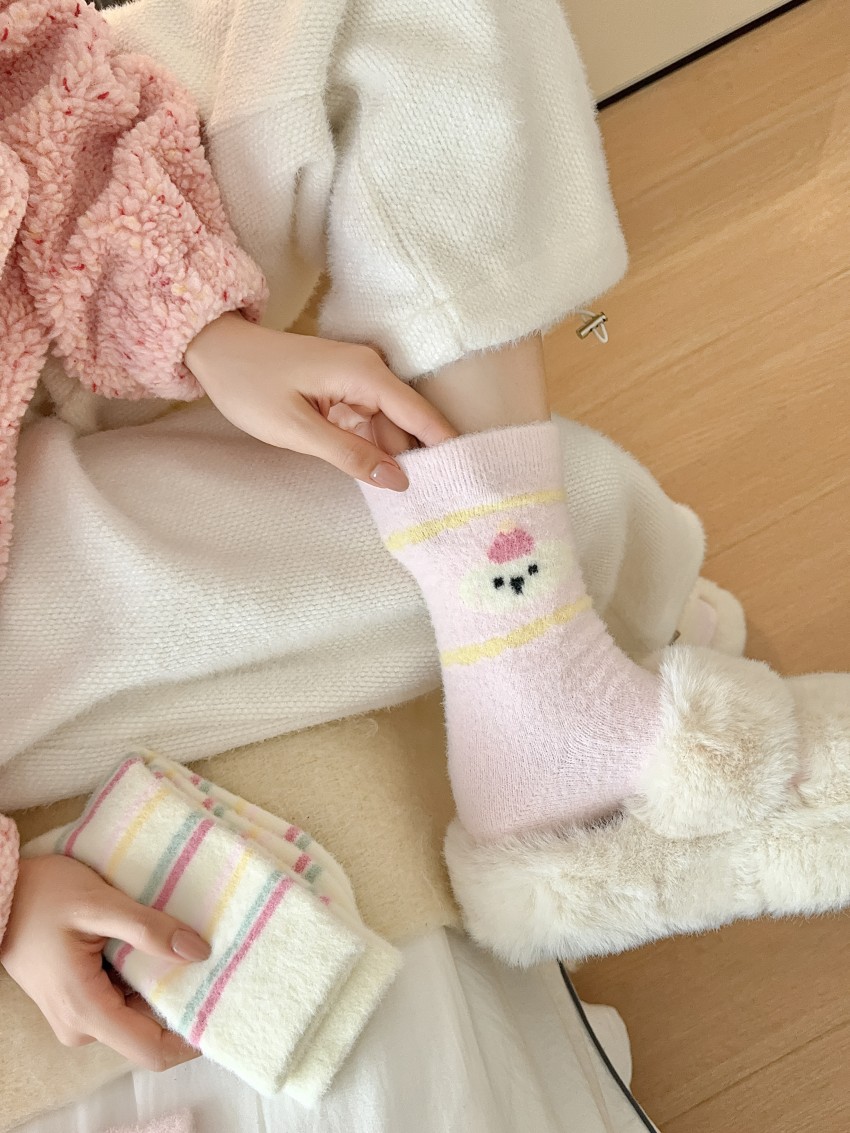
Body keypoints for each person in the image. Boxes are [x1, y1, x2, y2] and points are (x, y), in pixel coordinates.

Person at [3, 0, 848, 1081]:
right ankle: (550, 686)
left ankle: (542, 681)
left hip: (38, 270)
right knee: (578, 509)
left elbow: (26, 69)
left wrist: (199, 328)